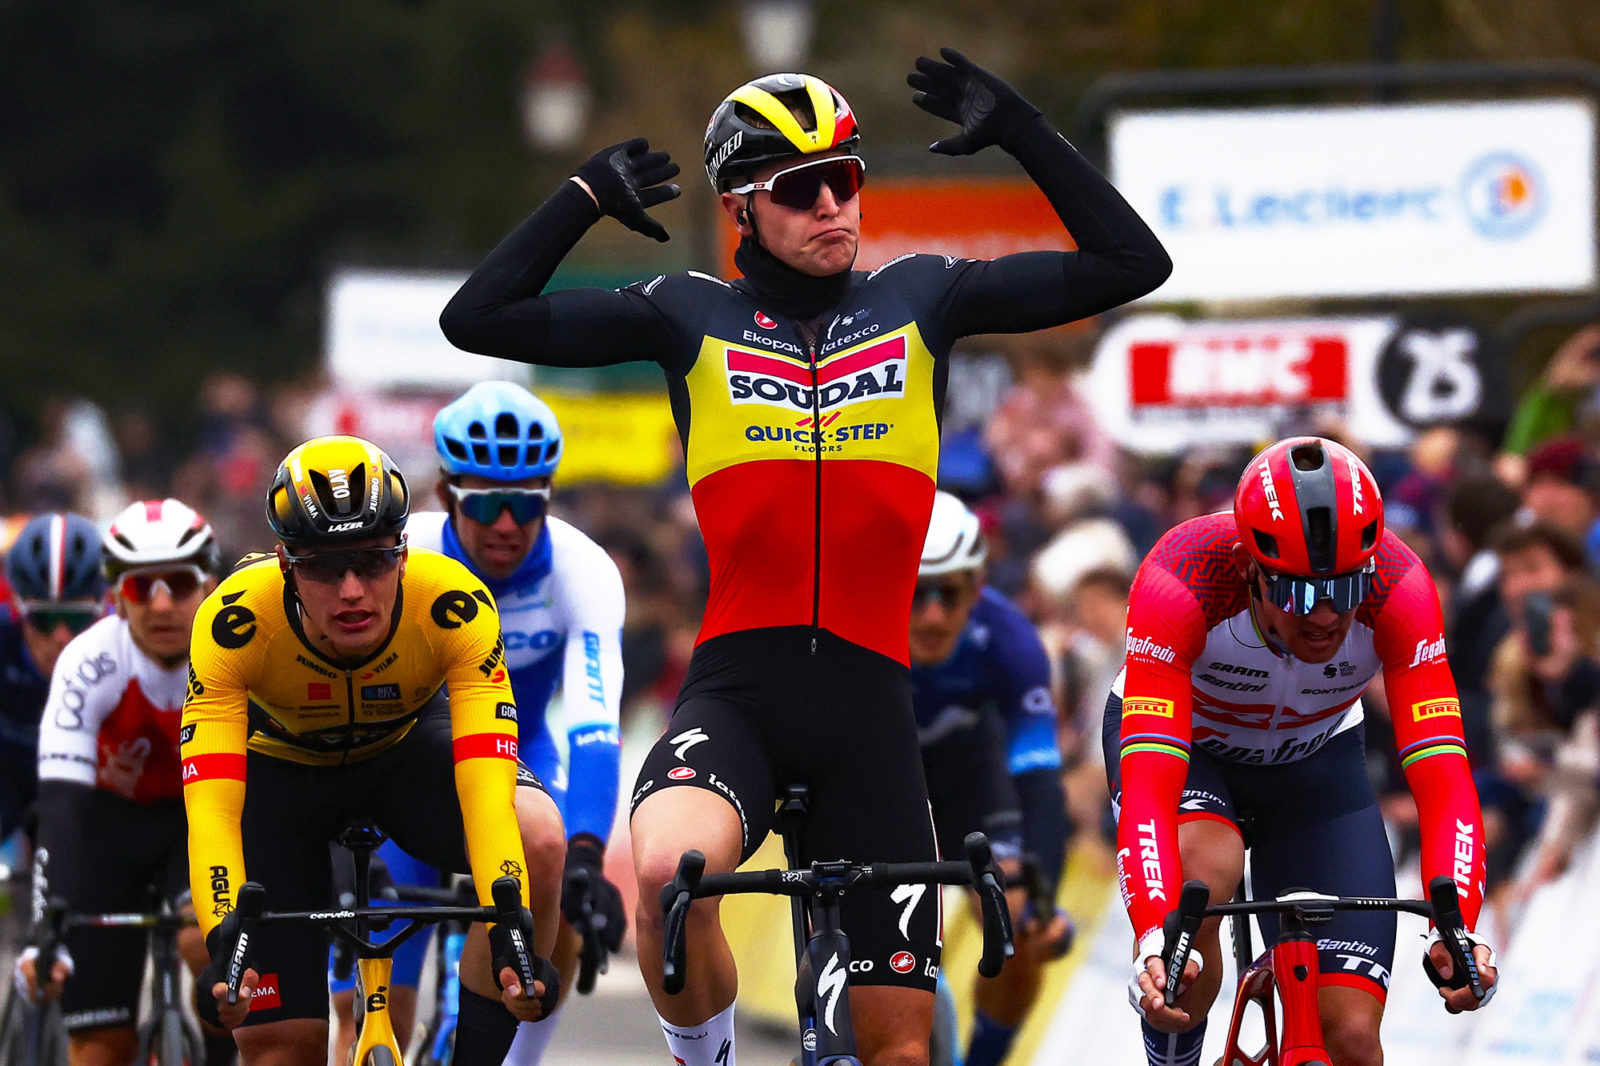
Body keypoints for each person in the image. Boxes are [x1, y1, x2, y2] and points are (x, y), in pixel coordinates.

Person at [440, 48, 1169, 1066]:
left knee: (900, 1052)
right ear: (740, 207)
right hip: (741, 693)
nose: (832, 204)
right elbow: (475, 317)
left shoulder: (923, 297)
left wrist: (1024, 134)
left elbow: (1134, 264)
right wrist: (581, 198)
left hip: (870, 714)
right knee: (670, 874)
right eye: (800, 186)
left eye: (846, 177)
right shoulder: (689, 313)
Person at [1110, 436, 1497, 1066]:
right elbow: (1152, 786)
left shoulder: (1401, 590)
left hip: (1316, 764)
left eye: (1345, 590)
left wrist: (1457, 925)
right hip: (1192, 755)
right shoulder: (1181, 579)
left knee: (1351, 1040)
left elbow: (1444, 777)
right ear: (1249, 568)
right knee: (1201, 883)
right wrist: (1155, 927)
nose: (1323, 618)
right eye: (1298, 593)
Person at [180, 435, 566, 1066]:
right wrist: (225, 936)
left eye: (373, 560)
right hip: (283, 779)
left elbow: (487, 795)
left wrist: (509, 927)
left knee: (539, 837)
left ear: (404, 553)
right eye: (324, 568)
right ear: (284, 562)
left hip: (405, 756)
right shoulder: (233, 623)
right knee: (282, 1050)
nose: (353, 589)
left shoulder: (454, 604)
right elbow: (213, 810)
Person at [325, 381, 626, 1065]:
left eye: (527, 503)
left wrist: (585, 854)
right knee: (373, 1020)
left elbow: (593, 728)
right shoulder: (406, 559)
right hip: (411, 765)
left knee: (561, 903)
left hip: (523, 761)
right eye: (487, 503)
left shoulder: (581, 569)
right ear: (445, 495)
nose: (507, 524)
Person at [17, 498, 236, 1066]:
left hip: (197, 823)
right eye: (142, 587)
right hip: (105, 830)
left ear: (209, 584)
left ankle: (220, 1053)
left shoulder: (237, 652)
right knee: (100, 1045)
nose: (161, 605)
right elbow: (61, 808)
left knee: (205, 945)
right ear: (116, 596)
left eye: (179, 584)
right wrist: (47, 928)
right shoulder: (88, 661)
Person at [908, 492, 1072, 1066]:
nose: (932, 616)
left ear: (977, 588)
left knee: (1018, 925)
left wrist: (1043, 902)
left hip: (970, 780)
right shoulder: (853, 632)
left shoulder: (1011, 641)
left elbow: (1040, 776)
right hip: (884, 782)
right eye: (915, 594)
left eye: (948, 594)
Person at [0, 513, 107, 849]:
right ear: (17, 609)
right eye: (44, 618)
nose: (61, 636)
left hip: (91, 787)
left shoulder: (123, 644)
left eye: (77, 619)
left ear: (103, 609)